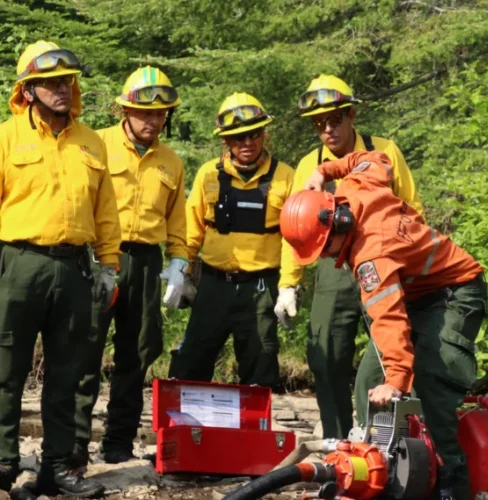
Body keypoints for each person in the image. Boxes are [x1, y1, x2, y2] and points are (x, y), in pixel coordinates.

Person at [282, 150, 486, 500]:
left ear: (339, 224)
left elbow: (388, 318)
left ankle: (451, 479)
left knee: (433, 377)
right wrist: (323, 170)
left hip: (455, 292)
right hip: (417, 294)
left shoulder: (371, 256)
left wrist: (396, 380)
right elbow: (374, 157)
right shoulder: (355, 185)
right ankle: (379, 469)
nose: (327, 257)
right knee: (368, 383)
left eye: (326, 248)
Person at [0, 41, 120, 497]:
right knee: (5, 368)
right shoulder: (7, 136)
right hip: (18, 263)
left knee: (68, 372)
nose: (62, 89)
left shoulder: (91, 141)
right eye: (50, 83)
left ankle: (57, 467)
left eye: (67, 81)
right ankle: (4, 462)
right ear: (28, 90)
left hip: (75, 269)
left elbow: (106, 210)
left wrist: (109, 266)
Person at [291, 74, 424, 440]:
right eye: (320, 123)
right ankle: (336, 437)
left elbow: (412, 207)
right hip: (332, 267)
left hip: (383, 258)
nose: (328, 129)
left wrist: (412, 265)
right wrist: (290, 284)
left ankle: (379, 441)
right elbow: (294, 229)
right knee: (326, 353)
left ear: (351, 116)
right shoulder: (308, 166)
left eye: (335, 119)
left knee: (387, 351)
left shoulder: (385, 151)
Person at [73, 66, 188, 466]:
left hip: (145, 260)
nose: (153, 121)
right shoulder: (96, 144)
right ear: (125, 110)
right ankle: (73, 444)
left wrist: (179, 260)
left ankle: (118, 442)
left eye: (160, 114)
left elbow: (177, 219)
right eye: (145, 113)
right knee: (84, 350)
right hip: (99, 255)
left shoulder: (171, 162)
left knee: (137, 353)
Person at [167, 92, 301, 389]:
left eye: (253, 134)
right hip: (213, 285)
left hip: (261, 287)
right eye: (238, 138)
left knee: (261, 363)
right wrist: (181, 272)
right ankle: (190, 430)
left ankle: (252, 434)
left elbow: (293, 240)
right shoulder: (208, 175)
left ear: (264, 134)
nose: (247, 143)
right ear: (226, 141)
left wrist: (289, 285)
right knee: (191, 361)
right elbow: (191, 231)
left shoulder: (286, 178)